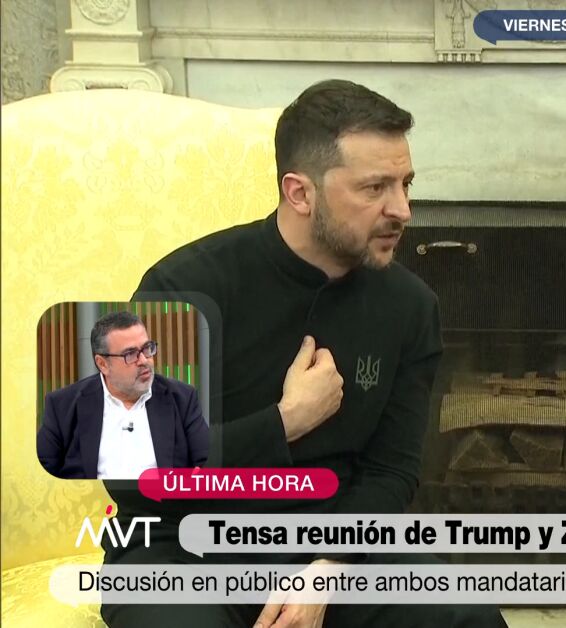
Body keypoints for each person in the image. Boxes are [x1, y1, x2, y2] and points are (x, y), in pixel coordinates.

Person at [103, 79, 506, 628]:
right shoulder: (184, 288)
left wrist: (329, 568)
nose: (402, 209)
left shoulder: (410, 307)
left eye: (405, 184)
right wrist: (285, 421)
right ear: (299, 193)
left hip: (331, 546)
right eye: (375, 188)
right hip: (180, 549)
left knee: (466, 615)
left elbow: (391, 469)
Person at [37, 310, 208, 479]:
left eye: (147, 348)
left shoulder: (182, 398)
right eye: (130, 354)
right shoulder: (62, 406)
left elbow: (208, 464)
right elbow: (40, 477)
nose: (144, 360)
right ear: (103, 364)